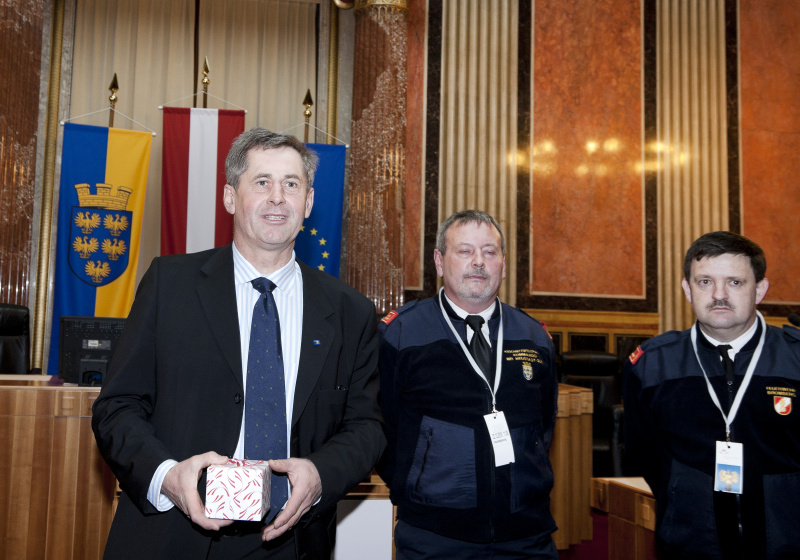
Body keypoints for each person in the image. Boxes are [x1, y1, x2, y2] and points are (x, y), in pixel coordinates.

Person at [92, 128, 385, 560]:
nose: (277, 197)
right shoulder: (168, 285)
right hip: (174, 535)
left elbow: (367, 427)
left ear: (307, 203)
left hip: (293, 540)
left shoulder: (350, 311)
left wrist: (321, 474)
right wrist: (168, 476)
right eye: (261, 182)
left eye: (291, 184)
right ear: (231, 197)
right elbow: (116, 408)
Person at [378, 209, 559, 559]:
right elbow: (383, 428)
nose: (479, 262)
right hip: (434, 536)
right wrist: (418, 484)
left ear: (503, 264)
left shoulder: (535, 336)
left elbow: (544, 427)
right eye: (465, 251)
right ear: (440, 261)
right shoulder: (401, 333)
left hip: (526, 535)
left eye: (490, 252)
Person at [623, 231, 800, 559]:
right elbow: (641, 451)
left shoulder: (795, 359)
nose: (719, 295)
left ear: (759, 290)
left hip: (785, 543)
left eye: (735, 282)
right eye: (705, 282)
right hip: (690, 543)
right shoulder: (652, 363)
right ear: (687, 289)